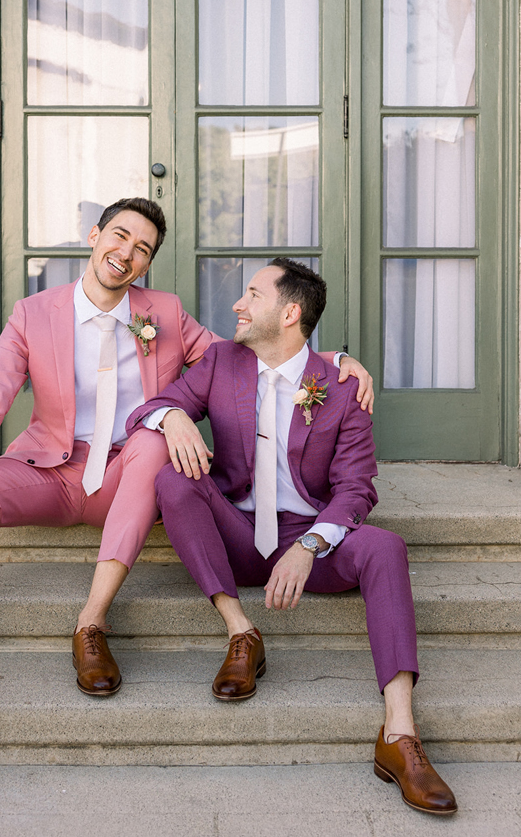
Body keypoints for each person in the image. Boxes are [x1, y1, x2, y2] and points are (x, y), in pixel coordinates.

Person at [0, 199, 372, 732]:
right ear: (94, 235)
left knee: (150, 439)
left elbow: (248, 356)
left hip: (129, 476)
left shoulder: (164, 313)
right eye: (119, 236)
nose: (126, 253)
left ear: (147, 264)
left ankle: (91, 623)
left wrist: (329, 361)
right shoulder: (34, 314)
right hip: (50, 471)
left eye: (142, 249)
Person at [126, 257, 457, 817]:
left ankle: (399, 735)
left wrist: (310, 546)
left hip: (306, 537)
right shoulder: (221, 363)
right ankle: (241, 632)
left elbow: (357, 490)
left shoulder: (341, 387)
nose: (237, 304)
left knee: (386, 547)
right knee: (172, 481)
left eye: (252, 294)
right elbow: (150, 407)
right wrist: (173, 418)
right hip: (235, 535)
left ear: (290, 312)